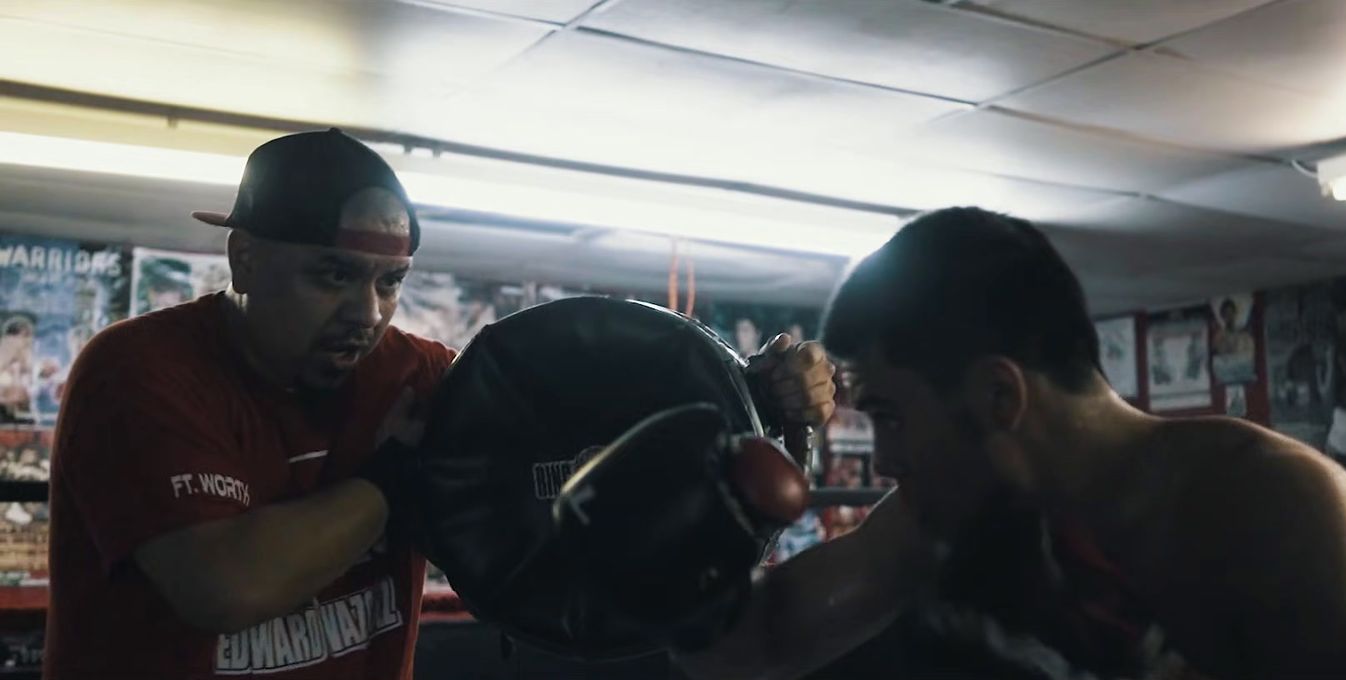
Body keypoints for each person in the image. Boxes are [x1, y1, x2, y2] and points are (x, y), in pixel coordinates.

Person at [43, 129, 836, 679]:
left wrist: (760, 406)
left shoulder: (416, 376)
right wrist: (394, 481)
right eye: (332, 276)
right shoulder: (141, 371)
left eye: (389, 282)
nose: (368, 312)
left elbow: (598, 444)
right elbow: (225, 586)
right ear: (244, 259)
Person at [671, 207, 1346, 679]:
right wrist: (754, 451)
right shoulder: (946, 522)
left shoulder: (1276, 511)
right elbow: (752, 649)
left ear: (1000, 395)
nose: (889, 460)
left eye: (892, 417)